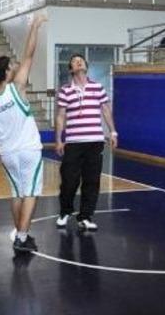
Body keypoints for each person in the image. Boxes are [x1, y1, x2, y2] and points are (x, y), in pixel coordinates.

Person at [0, 13, 47, 253]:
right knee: (31, 193)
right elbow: (29, 54)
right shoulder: (17, 88)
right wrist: (35, 26)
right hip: (28, 150)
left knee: (17, 193)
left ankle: (21, 235)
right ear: (6, 72)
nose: (15, 67)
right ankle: (23, 235)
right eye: (11, 66)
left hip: (6, 153)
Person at [54, 54, 118, 231]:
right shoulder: (66, 90)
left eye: (81, 60)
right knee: (69, 180)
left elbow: (105, 110)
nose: (78, 61)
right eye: (74, 61)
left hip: (95, 141)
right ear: (71, 69)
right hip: (73, 142)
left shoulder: (97, 87)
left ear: (86, 66)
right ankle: (65, 212)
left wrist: (113, 132)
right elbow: (60, 116)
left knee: (92, 181)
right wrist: (59, 139)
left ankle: (85, 216)